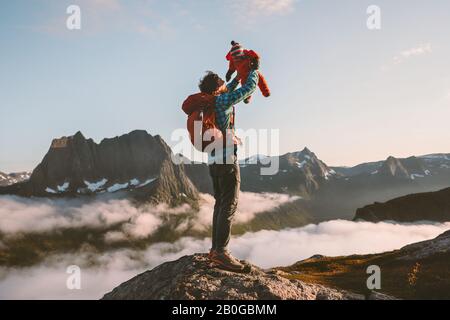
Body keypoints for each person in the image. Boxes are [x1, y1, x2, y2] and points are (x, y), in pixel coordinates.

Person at [197, 59, 260, 272]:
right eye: (222, 84)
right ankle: (221, 254)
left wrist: (233, 75)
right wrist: (253, 71)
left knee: (220, 204)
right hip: (227, 161)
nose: (226, 85)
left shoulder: (210, 102)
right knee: (229, 205)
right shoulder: (222, 101)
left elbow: (230, 88)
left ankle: (216, 250)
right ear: (217, 89)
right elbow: (248, 88)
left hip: (214, 162)